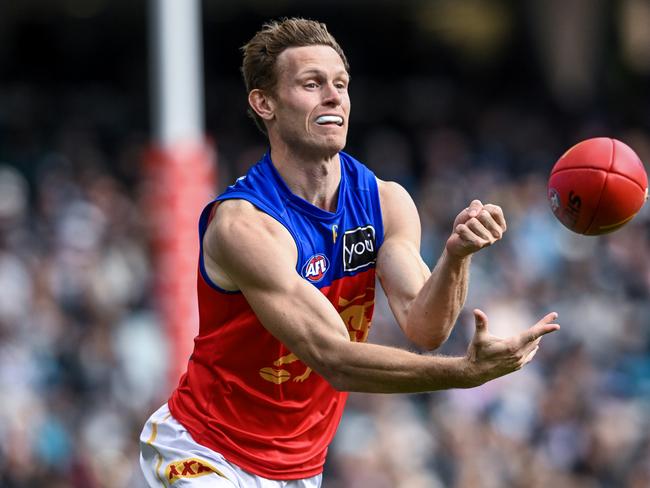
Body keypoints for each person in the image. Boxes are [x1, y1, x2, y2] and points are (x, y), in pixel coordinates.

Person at [139, 17, 560, 488]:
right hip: (204, 450)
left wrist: (456, 257)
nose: (334, 96)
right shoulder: (244, 226)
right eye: (311, 83)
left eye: (340, 83)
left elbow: (426, 326)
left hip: (300, 469)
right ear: (264, 103)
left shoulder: (385, 200)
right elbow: (334, 359)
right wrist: (466, 374)